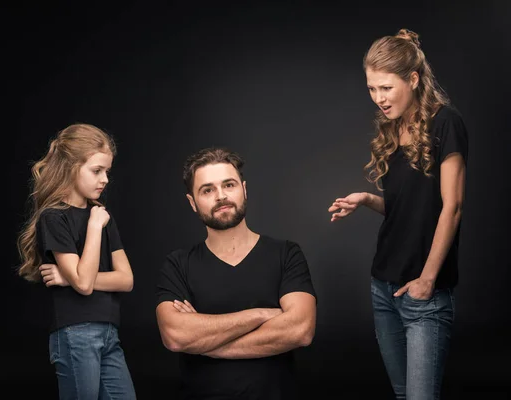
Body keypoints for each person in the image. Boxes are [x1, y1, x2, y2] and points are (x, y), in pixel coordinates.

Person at [328, 29, 468, 399]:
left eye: (386, 88)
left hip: (425, 292)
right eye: (372, 89)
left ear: (413, 79)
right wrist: (366, 199)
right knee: (404, 395)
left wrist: (427, 279)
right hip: (383, 287)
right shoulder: (393, 128)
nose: (378, 99)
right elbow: (409, 206)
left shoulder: (445, 123)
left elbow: (451, 207)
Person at [155, 147, 317, 399]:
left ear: (244, 189)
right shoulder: (178, 264)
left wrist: (205, 343)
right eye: (207, 190)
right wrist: (260, 314)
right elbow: (176, 336)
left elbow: (300, 330)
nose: (221, 196)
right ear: (192, 203)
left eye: (228, 185)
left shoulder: (286, 254)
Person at [16, 123, 137, 400]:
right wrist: (93, 228)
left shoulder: (102, 215)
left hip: (109, 333)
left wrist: (66, 277)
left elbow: (126, 280)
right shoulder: (55, 217)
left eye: (107, 171)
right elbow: (83, 283)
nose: (104, 179)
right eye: (96, 171)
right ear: (71, 168)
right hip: (76, 334)